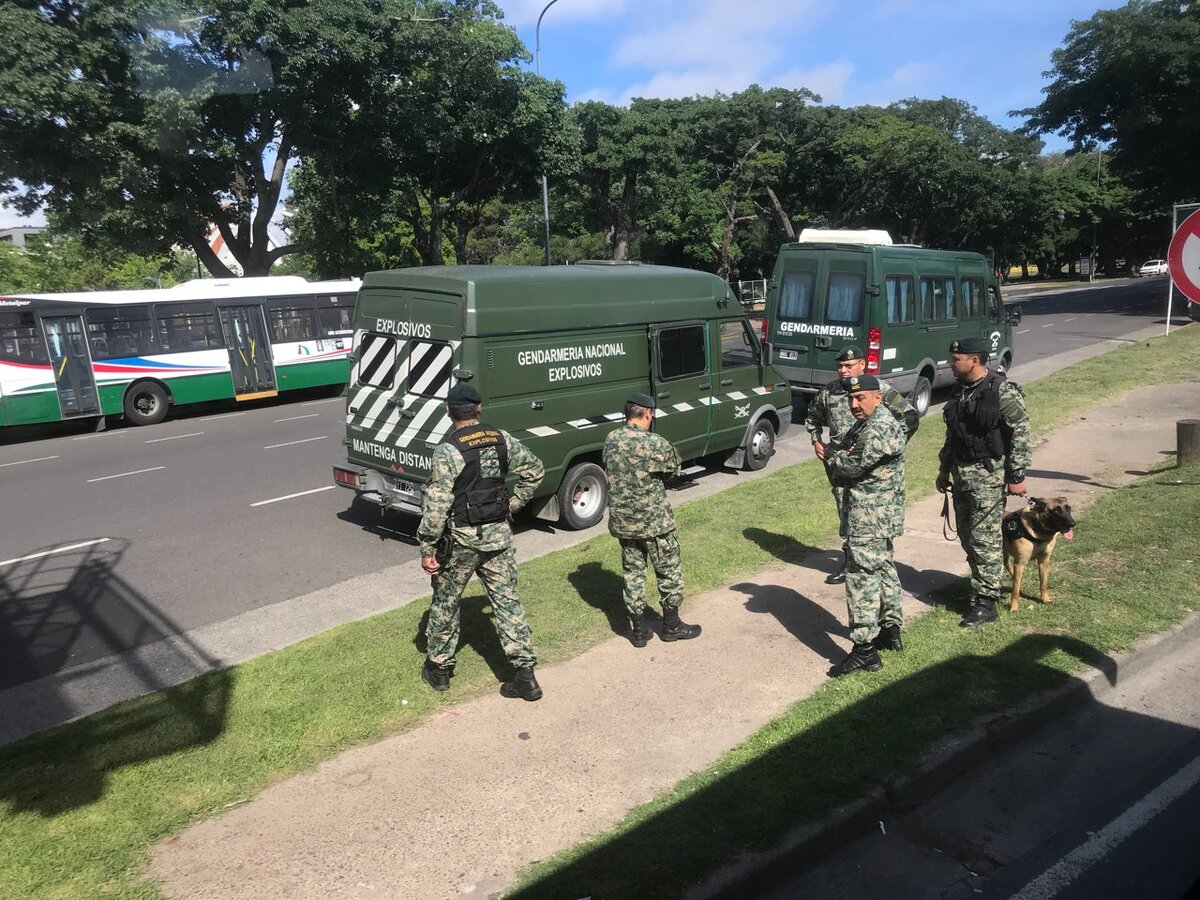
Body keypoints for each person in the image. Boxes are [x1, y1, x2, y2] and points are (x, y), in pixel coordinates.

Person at [417, 383, 546, 700]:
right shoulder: (501, 438)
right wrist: (513, 504)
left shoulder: (448, 451)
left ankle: (440, 670)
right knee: (507, 604)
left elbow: (436, 507)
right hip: (498, 537)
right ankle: (525, 676)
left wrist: (427, 548)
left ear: (448, 411)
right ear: (479, 408)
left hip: (461, 541)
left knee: (446, 603)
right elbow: (535, 470)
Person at [936, 337, 1032, 627]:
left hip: (988, 476)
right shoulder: (960, 390)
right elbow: (952, 435)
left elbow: (1021, 434)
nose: (951, 364)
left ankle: (986, 603)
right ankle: (979, 589)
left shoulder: (1002, 390)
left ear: (973, 360)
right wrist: (944, 469)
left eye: (956, 359)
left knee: (986, 539)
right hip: (961, 475)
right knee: (967, 536)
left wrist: (1016, 476)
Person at [806, 346, 919, 584]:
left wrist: (891, 449)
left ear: (862, 365)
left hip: (870, 466)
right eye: (840, 366)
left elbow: (909, 416)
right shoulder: (829, 392)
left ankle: (871, 564)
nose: (844, 370)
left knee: (870, 517)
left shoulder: (877, 389)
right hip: (839, 464)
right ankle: (849, 561)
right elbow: (812, 418)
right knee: (845, 513)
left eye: (849, 365)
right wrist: (817, 440)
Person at [602, 393, 702, 647]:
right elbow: (674, 469)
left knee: (633, 573)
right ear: (648, 413)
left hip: (624, 523)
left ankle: (638, 631)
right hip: (655, 522)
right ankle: (671, 625)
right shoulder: (655, 443)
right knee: (669, 572)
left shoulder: (611, 439)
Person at [824, 374, 908, 676]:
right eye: (850, 398)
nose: (854, 404)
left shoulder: (878, 427)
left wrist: (832, 457)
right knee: (883, 569)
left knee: (861, 579)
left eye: (861, 398)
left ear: (878, 397)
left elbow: (850, 464)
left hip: (869, 518)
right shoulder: (869, 423)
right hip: (877, 515)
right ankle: (890, 631)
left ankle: (865, 651)